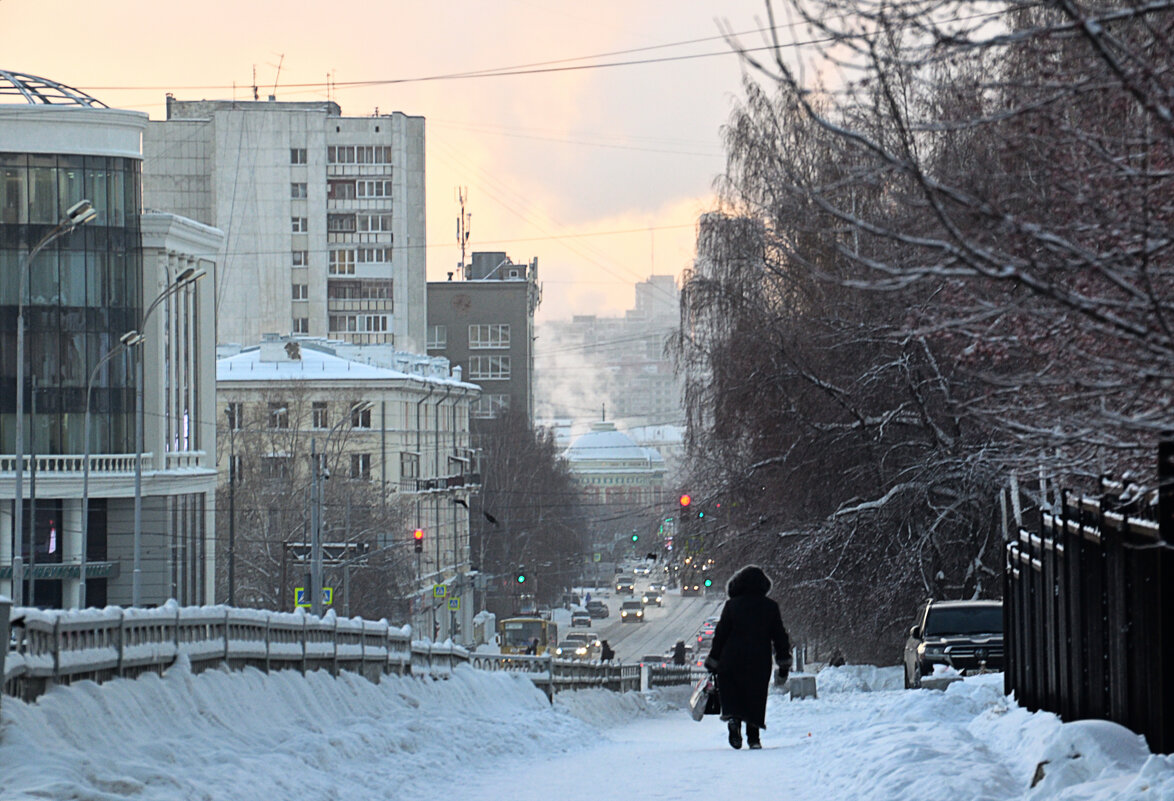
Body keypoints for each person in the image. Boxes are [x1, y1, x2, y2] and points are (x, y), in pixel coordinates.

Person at [704, 564, 791, 750]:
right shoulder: (770, 607)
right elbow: (780, 637)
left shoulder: (731, 606)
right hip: (758, 660)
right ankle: (754, 737)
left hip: (731, 658)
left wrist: (713, 660)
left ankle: (734, 720)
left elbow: (721, 635)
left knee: (733, 693)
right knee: (755, 695)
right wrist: (784, 663)